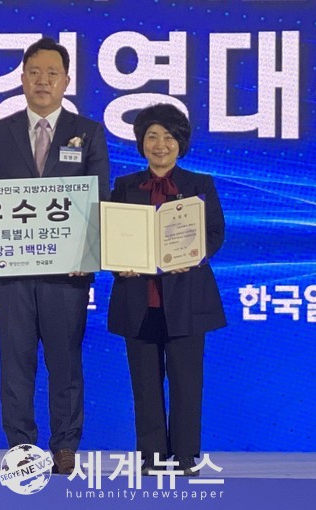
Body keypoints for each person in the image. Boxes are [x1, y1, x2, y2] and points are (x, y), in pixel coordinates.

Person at [0, 37, 110, 474]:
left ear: (66, 81)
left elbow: (100, 201)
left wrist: (89, 252)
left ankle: (65, 446)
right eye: (34, 73)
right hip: (12, 271)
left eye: (52, 74)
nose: (43, 81)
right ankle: (21, 446)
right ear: (21, 79)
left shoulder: (88, 132)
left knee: (65, 362)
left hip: (67, 274)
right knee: (16, 362)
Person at [107, 103, 226, 476]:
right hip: (138, 299)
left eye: (169, 137)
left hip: (186, 298)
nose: (160, 145)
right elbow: (109, 236)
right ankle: (152, 457)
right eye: (152, 136)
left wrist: (195, 255)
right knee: (145, 384)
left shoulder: (199, 184)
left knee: (187, 382)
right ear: (141, 142)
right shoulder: (124, 186)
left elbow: (215, 233)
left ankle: (186, 456)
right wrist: (117, 262)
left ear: (181, 143)